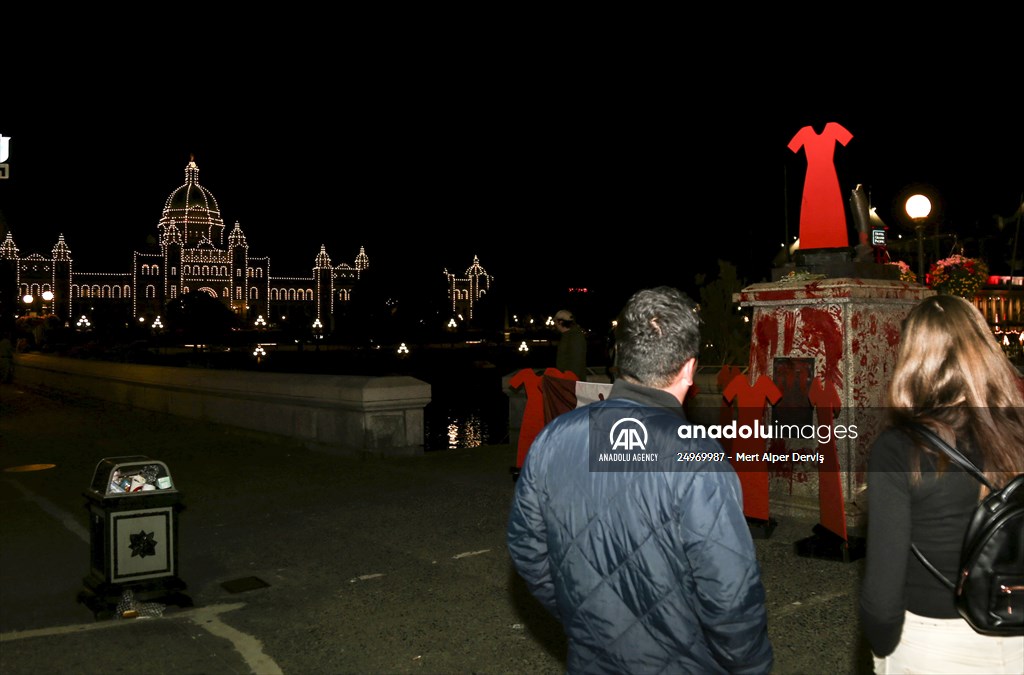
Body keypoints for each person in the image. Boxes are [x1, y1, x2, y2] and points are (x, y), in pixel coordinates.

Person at [507, 287, 773, 674]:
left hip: (590, 656)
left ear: (618, 358)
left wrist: (583, 611)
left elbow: (527, 550)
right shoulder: (698, 457)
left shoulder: (553, 438)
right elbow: (729, 593)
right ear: (688, 369)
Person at [859, 294, 1024, 674]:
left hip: (934, 643)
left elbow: (883, 595)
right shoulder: (1017, 431)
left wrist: (883, 649)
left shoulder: (900, 449)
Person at [553, 309, 587, 381]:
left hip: (571, 382)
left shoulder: (575, 337)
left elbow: (576, 361)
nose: (555, 324)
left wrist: (569, 380)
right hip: (567, 380)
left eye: (555, 322)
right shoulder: (568, 335)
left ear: (560, 322)